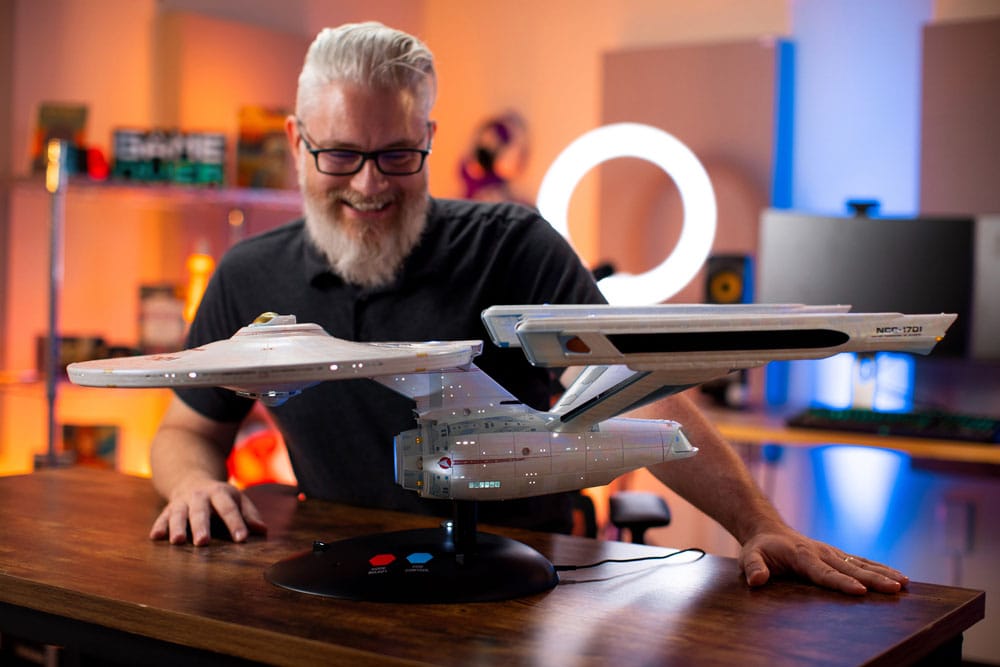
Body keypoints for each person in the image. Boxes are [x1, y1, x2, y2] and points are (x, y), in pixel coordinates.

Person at [149, 21, 908, 597]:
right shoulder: (249, 275)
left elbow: (639, 393)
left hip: (527, 576)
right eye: (341, 154)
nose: (370, 185)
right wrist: (191, 483)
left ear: (429, 139)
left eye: (398, 155)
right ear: (296, 142)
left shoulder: (514, 245)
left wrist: (759, 525)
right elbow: (188, 428)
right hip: (339, 577)